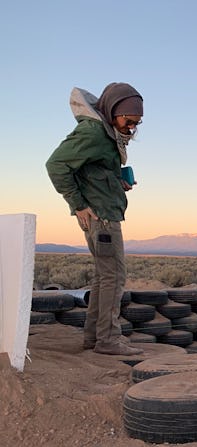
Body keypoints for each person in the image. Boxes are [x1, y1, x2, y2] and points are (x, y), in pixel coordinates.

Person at [46, 83, 145, 356]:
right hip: (101, 217)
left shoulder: (106, 133)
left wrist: (118, 182)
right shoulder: (94, 133)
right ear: (114, 111)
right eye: (129, 120)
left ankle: (95, 337)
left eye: (137, 123)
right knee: (114, 277)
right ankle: (108, 340)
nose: (133, 127)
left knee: (105, 278)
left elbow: (92, 172)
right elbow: (55, 165)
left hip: (104, 212)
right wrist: (78, 205)